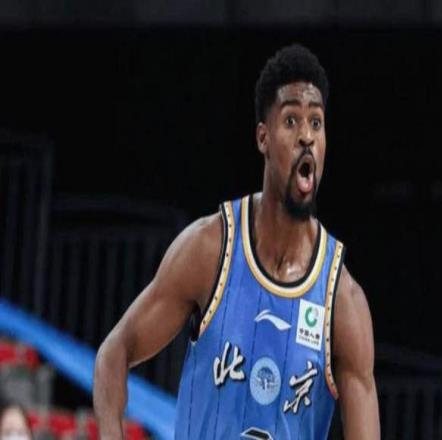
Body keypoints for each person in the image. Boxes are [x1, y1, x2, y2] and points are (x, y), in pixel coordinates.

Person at [93, 44, 379, 439]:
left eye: (316, 123)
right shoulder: (210, 250)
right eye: (291, 120)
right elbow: (114, 354)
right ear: (263, 138)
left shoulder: (343, 300)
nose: (306, 137)